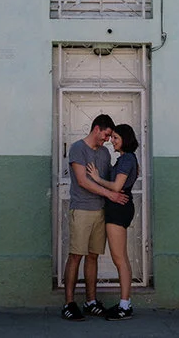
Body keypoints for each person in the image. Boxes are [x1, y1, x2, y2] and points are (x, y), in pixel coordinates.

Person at [62, 114, 130, 322]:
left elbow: (107, 180)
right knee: (76, 255)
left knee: (93, 256)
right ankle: (69, 304)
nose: (108, 139)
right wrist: (111, 194)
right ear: (96, 129)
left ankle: (91, 301)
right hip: (82, 210)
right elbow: (83, 181)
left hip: (100, 211)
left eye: (111, 136)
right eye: (106, 135)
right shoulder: (77, 149)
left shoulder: (104, 154)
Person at [86, 123, 139, 321]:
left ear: (125, 139)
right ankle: (125, 303)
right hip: (120, 208)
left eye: (116, 138)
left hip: (118, 210)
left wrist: (97, 178)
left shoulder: (126, 159)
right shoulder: (127, 159)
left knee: (119, 259)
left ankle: (125, 306)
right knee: (122, 258)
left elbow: (117, 187)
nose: (112, 141)